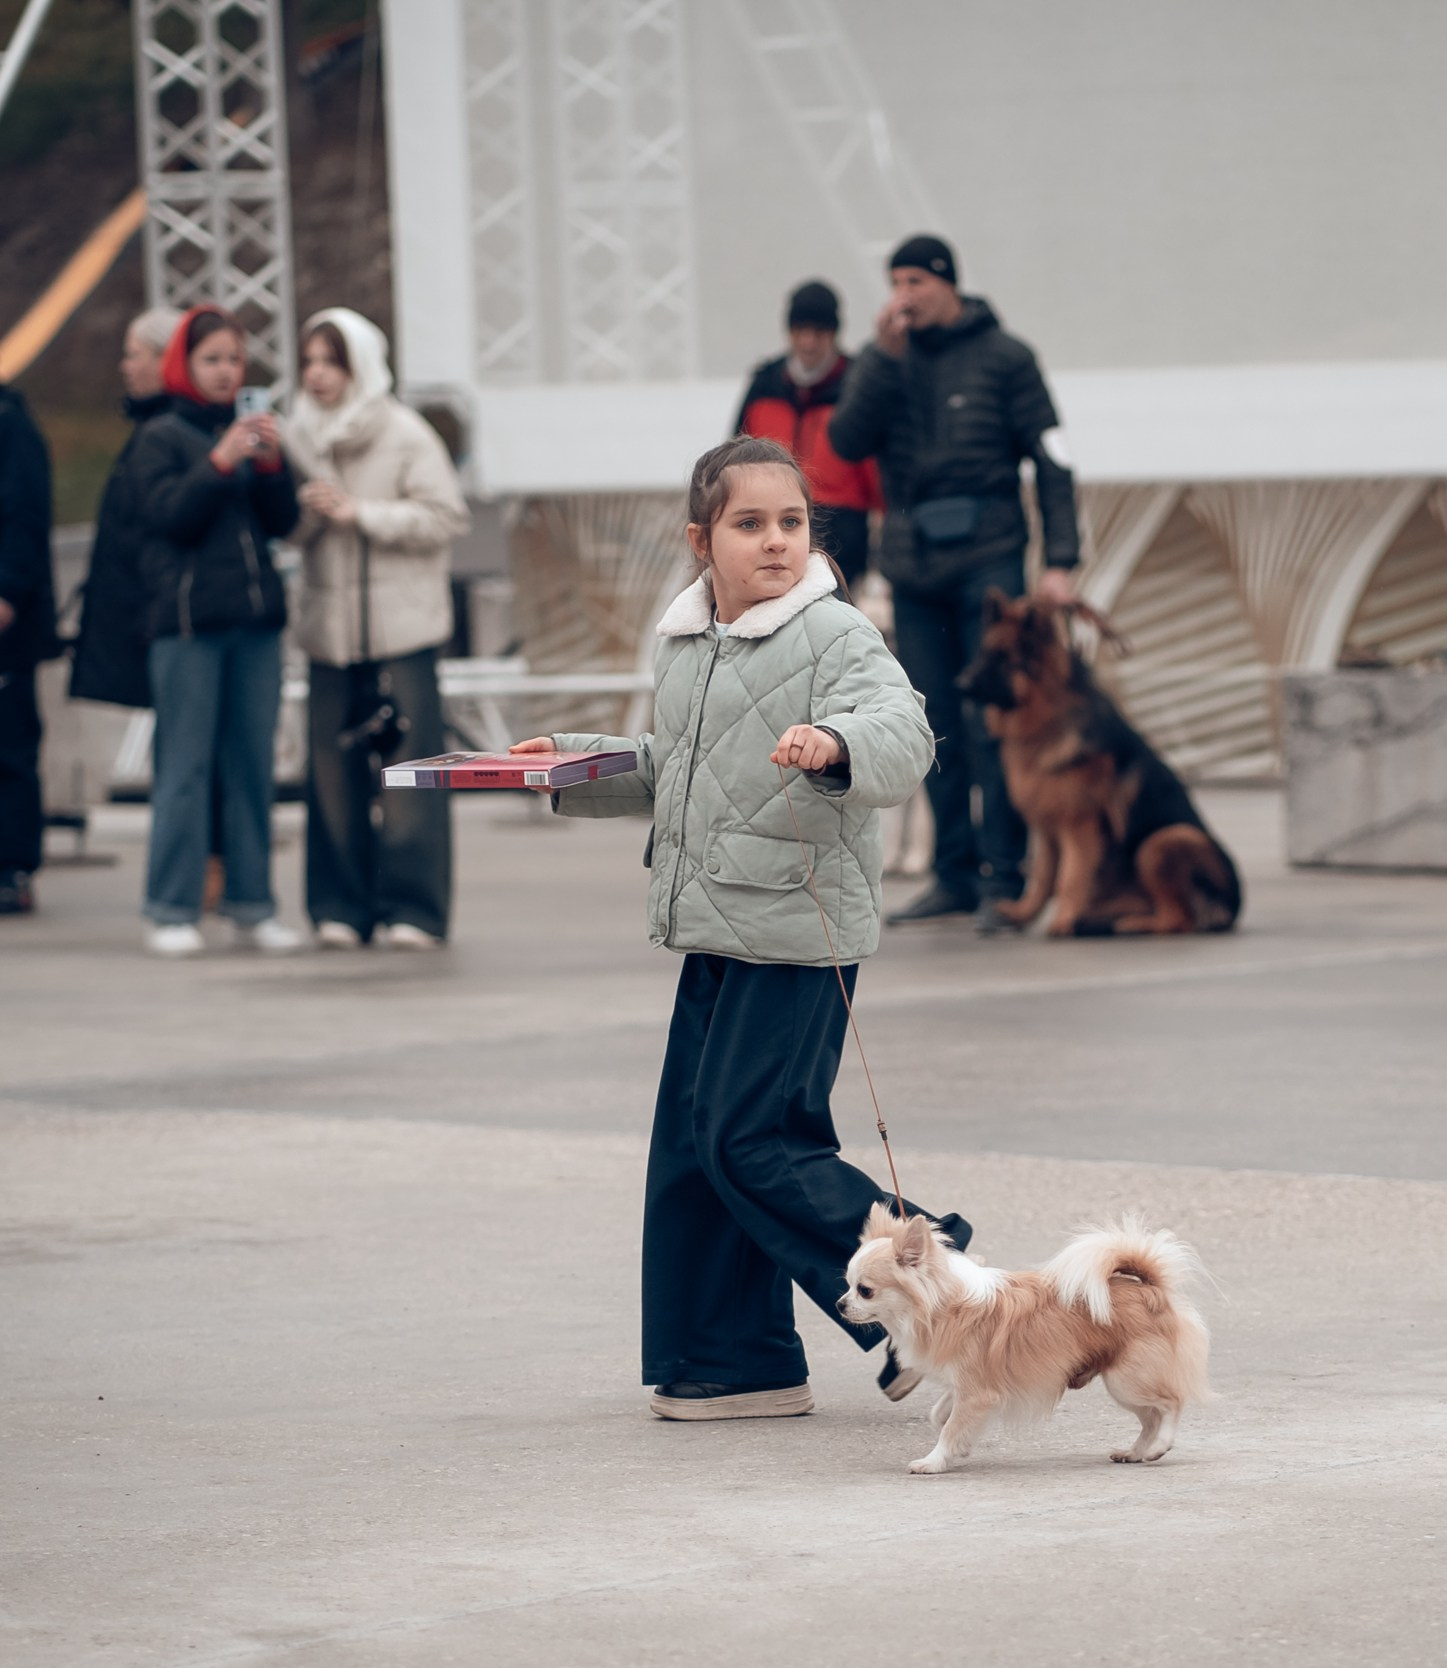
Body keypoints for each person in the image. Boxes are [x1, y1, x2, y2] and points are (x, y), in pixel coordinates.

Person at [514, 435, 969, 1419]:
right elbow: (676, 766)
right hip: (717, 921)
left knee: (750, 1138)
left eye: (792, 522)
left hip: (799, 931)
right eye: (750, 523)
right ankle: (732, 1361)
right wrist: (571, 764)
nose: (776, 542)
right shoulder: (689, 643)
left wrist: (836, 741)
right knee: (698, 1144)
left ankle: (937, 1292)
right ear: (700, 540)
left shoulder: (834, 631)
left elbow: (903, 731)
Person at [829, 234, 1080, 934]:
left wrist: (1062, 559)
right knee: (930, 721)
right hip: (913, 564)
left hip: (989, 558)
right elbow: (845, 443)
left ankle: (1005, 875)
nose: (903, 295)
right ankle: (954, 874)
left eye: (916, 281)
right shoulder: (886, 361)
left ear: (947, 283)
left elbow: (1053, 459)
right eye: (895, 282)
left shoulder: (1007, 357)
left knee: (995, 720)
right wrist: (881, 361)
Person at [280, 307, 470, 950]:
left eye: (331, 361)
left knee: (411, 775)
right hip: (328, 633)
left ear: (360, 365)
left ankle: (415, 910)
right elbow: (286, 530)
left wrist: (361, 512)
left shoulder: (404, 431)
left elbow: (446, 517)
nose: (317, 375)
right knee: (331, 776)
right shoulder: (296, 435)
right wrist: (308, 513)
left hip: (403, 632)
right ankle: (339, 907)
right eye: (309, 361)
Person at [131, 307, 303, 957]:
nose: (226, 371)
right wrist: (220, 462)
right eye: (211, 360)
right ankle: (171, 907)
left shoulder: (249, 433)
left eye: (234, 359)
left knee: (252, 767)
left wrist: (272, 466)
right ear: (184, 365)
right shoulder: (161, 436)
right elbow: (169, 518)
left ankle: (252, 905)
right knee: (186, 768)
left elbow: (282, 523)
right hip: (187, 629)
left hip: (254, 626)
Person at [69, 307, 185, 713]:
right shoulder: (152, 428)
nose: (125, 366)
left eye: (134, 354)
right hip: (146, 620)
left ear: (166, 359)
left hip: (161, 622)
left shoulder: (168, 434)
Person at [731, 279, 880, 587]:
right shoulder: (764, 384)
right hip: (770, 532)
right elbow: (736, 460)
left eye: (819, 332)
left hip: (841, 541)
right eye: (800, 331)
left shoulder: (859, 385)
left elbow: (878, 470)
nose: (808, 343)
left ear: (834, 333)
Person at [0, 377, 58, 916]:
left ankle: (12, 868)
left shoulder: (11, 424)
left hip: (7, 625)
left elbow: (25, 515)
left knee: (9, 745)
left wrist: (8, 591)